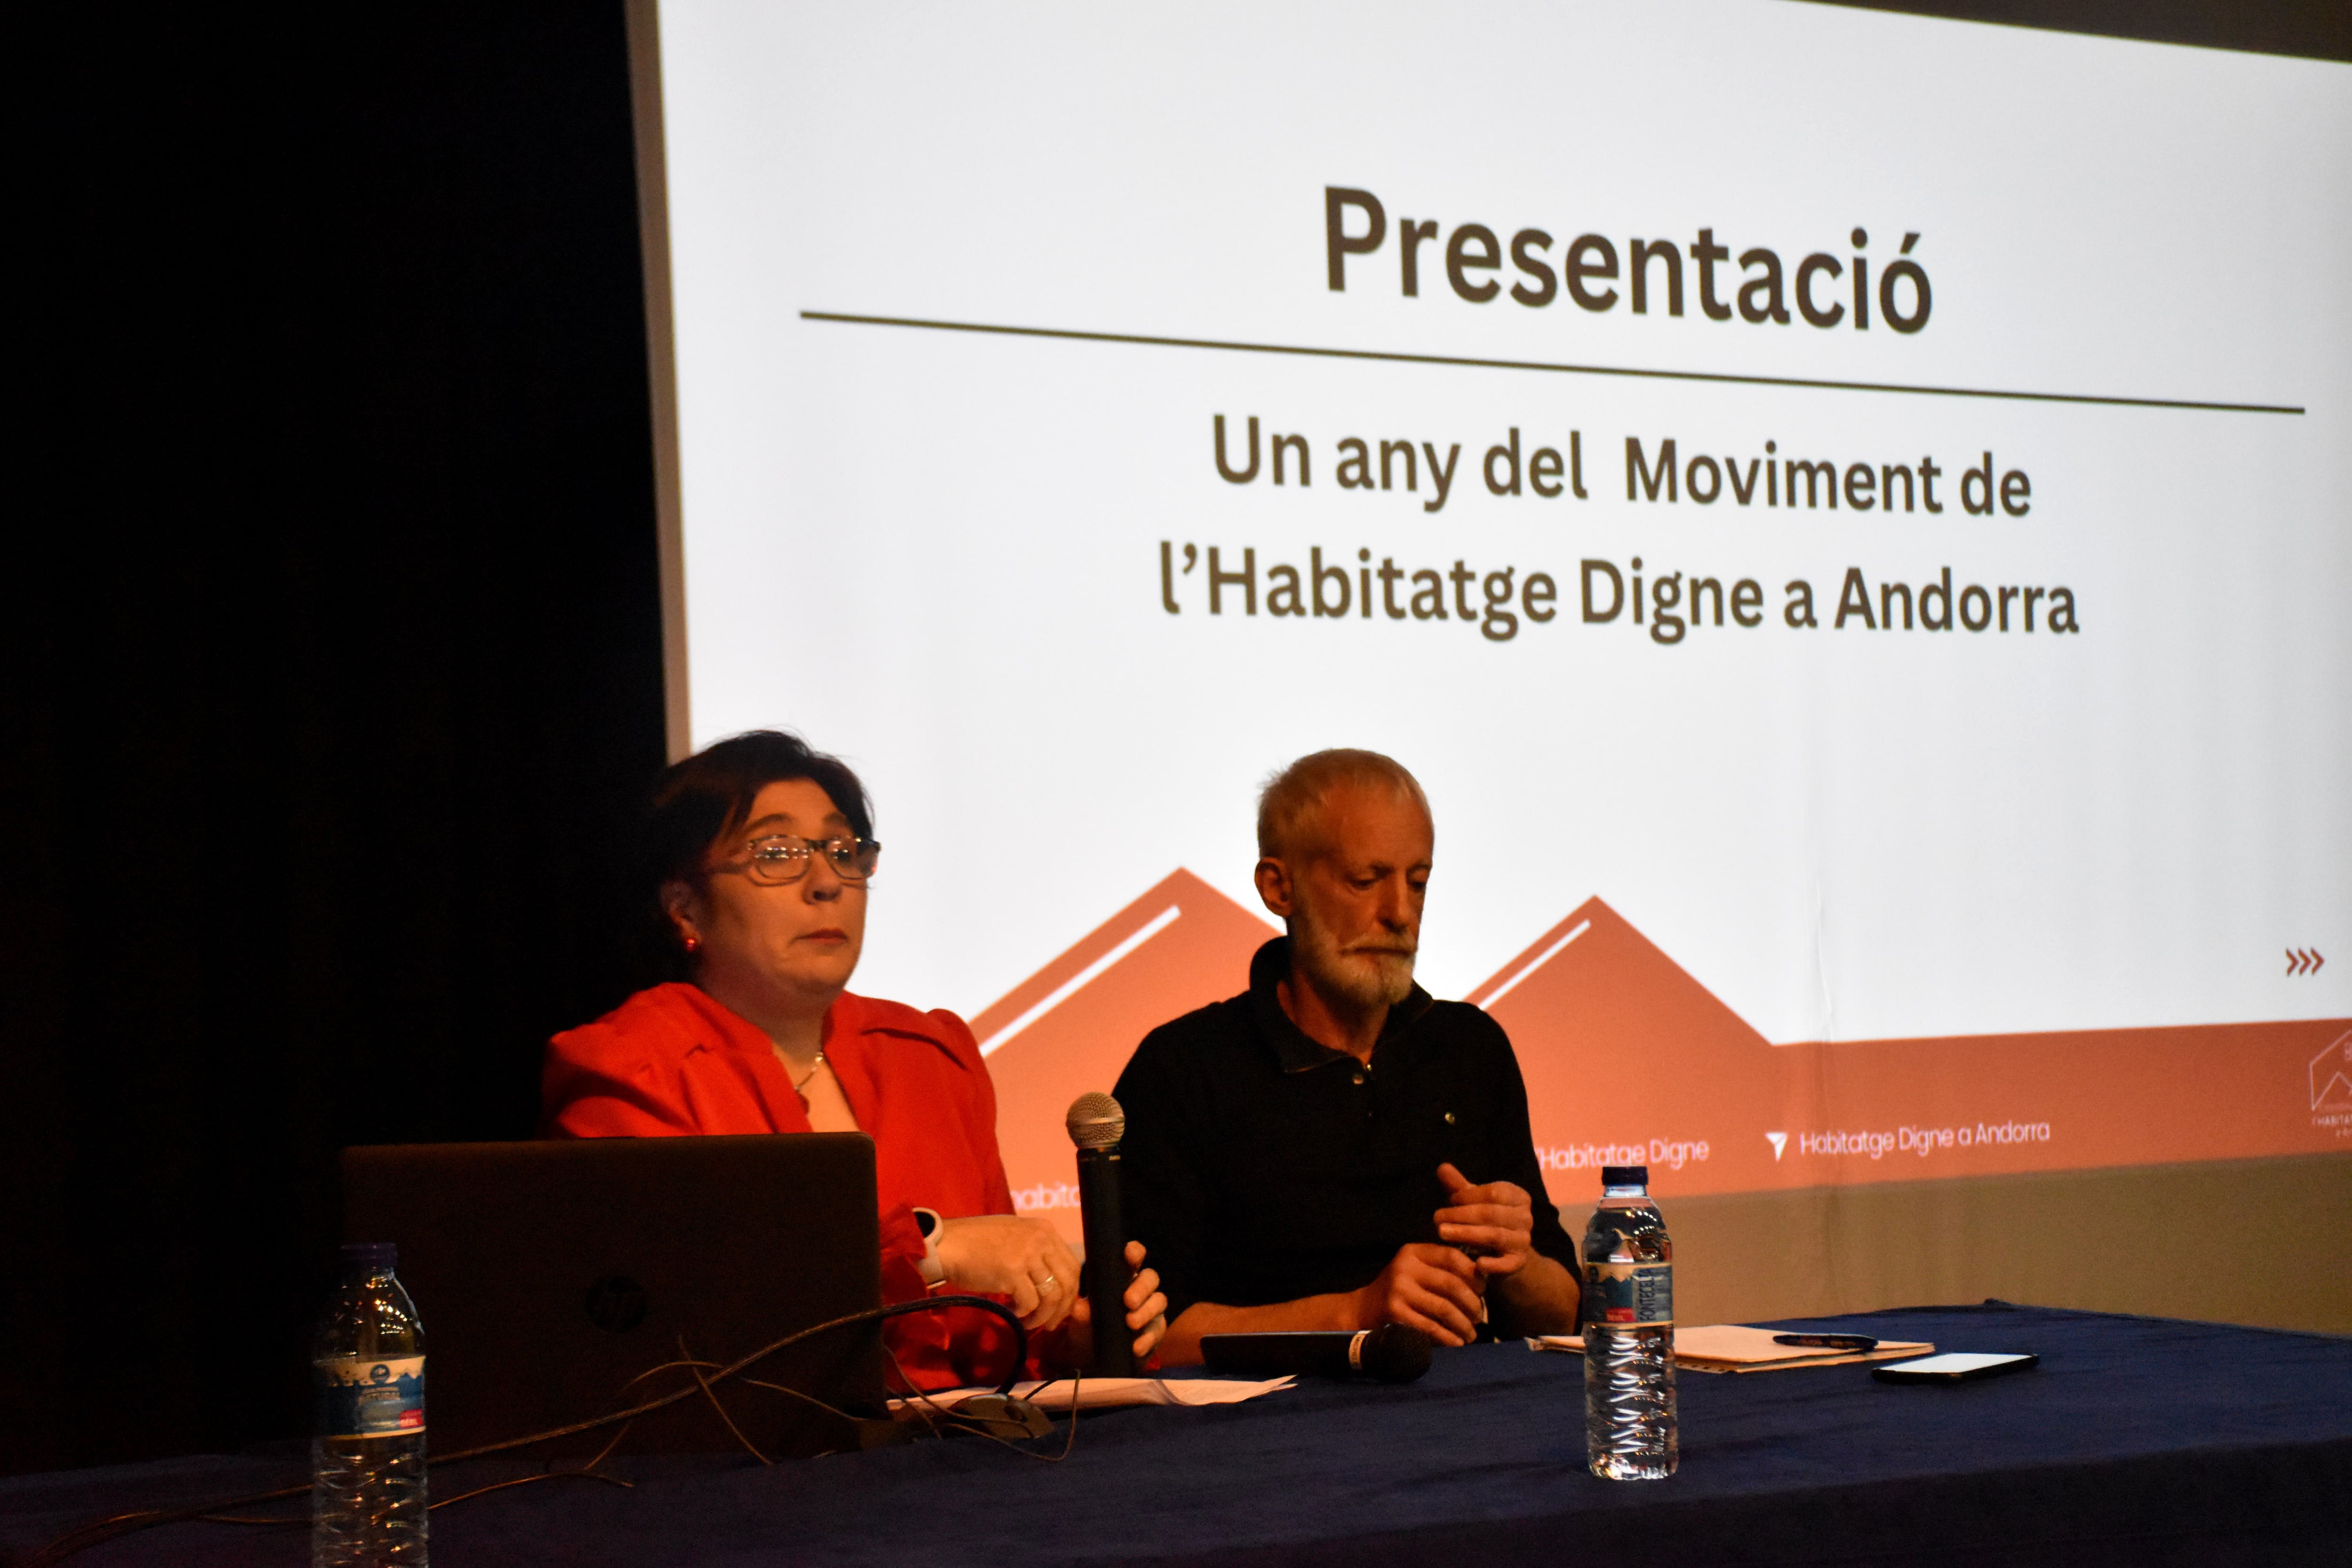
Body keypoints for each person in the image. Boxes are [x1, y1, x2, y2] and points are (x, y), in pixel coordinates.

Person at [543, 730, 1165, 1390]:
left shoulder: (931, 1057)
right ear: (684, 905)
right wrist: (931, 1251)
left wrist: (1074, 1340)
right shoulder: (628, 1069)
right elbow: (672, 1323)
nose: (826, 883)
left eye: (844, 852)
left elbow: (992, 1345)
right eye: (776, 853)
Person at [1113, 748, 1581, 1365]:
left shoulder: (1469, 1047)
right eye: (1366, 880)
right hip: (1260, 1440)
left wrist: (1516, 1263)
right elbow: (1138, 1343)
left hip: (1466, 1421)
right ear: (1278, 887)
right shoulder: (1182, 1069)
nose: (1400, 912)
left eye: (1418, 881)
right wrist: (1357, 1313)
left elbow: (1566, 1314)